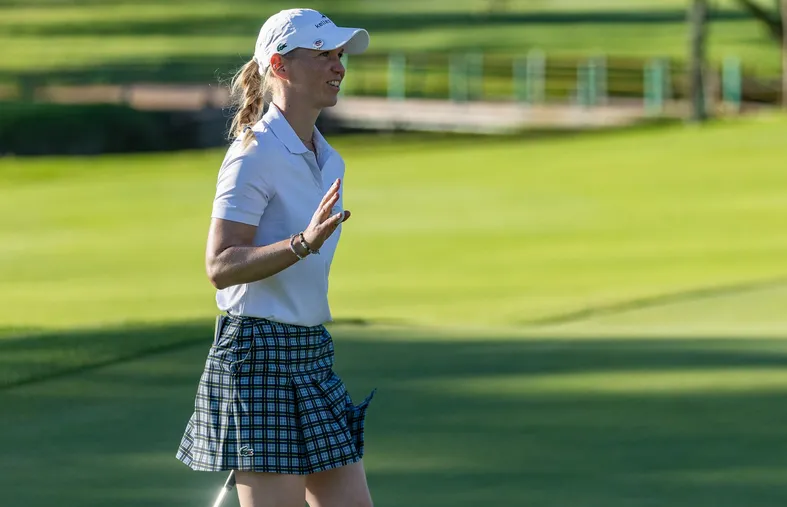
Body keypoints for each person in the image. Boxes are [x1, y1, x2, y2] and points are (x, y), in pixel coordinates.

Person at [175, 8, 376, 507]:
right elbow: (220, 266)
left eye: (339, 55)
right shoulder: (253, 153)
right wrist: (300, 243)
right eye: (323, 55)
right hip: (258, 355)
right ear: (279, 66)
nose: (338, 67)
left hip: (311, 354)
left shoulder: (330, 157)